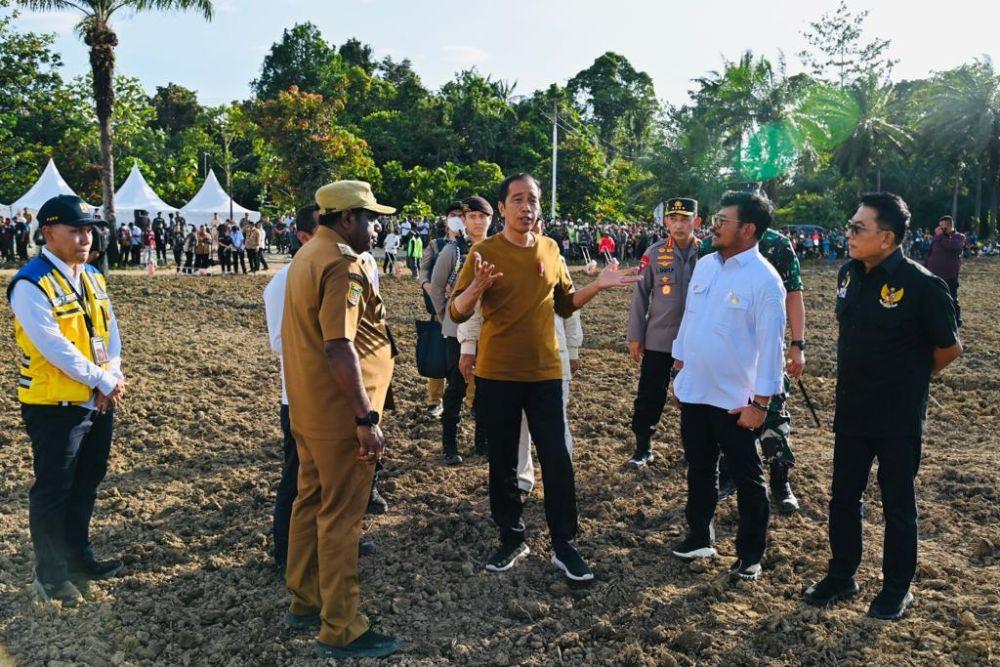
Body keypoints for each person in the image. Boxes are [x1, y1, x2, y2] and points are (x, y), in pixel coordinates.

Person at [449, 173, 640, 582]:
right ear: (502, 208)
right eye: (517, 199)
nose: (526, 207)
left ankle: (564, 544)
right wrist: (477, 287)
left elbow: (566, 305)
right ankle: (512, 537)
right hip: (498, 374)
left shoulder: (551, 249)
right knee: (502, 461)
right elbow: (457, 311)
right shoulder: (484, 251)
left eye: (532, 199)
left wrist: (598, 286)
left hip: (546, 373)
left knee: (558, 459)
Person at [804, 193, 962, 620]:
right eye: (850, 226)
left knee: (896, 505)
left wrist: (908, 378)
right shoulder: (848, 275)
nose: (849, 234)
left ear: (887, 237)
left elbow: (948, 349)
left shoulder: (924, 286)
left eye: (859, 228)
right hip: (853, 411)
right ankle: (842, 575)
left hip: (897, 417)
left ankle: (896, 589)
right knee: (843, 498)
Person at [281, 180, 401, 659]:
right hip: (340, 415)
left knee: (308, 502)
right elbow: (339, 345)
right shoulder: (341, 264)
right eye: (371, 218)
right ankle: (342, 625)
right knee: (341, 518)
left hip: (310, 409)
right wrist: (365, 416)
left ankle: (304, 598)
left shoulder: (307, 255)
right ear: (346, 219)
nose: (378, 227)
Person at [7, 195, 127, 606]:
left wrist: (112, 375)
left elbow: (109, 330)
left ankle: (78, 556)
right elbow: (53, 345)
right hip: (53, 405)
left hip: (96, 399)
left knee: (86, 483)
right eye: (75, 230)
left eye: (88, 230)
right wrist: (101, 379)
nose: (85, 238)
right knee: (54, 490)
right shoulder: (30, 282)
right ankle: (52, 575)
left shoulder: (91, 275)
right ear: (48, 233)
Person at [669, 191, 786, 583]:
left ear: (748, 229)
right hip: (696, 391)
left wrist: (761, 404)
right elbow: (690, 321)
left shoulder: (765, 281)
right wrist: (679, 370)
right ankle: (699, 535)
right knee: (700, 468)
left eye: (724, 220)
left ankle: (750, 555)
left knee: (748, 478)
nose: (714, 226)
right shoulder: (705, 266)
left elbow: (772, 348)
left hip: (736, 402)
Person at [703, 221, 807, 514]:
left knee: (772, 413)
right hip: (725, 348)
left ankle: (779, 480)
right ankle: (728, 475)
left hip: (765, 349)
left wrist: (798, 345)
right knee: (724, 412)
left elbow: (794, 293)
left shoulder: (776, 244)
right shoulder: (713, 244)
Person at [625, 198, 701, 467]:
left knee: (696, 397)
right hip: (659, 338)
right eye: (674, 219)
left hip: (697, 343)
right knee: (650, 394)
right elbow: (640, 296)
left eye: (685, 219)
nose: (679, 225)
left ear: (696, 222)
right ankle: (643, 447)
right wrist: (636, 335)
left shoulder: (708, 255)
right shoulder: (654, 253)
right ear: (666, 222)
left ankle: (695, 450)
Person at [514, 215, 583, 494]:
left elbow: (570, 308)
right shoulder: (499, 256)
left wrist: (575, 348)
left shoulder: (555, 258)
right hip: (513, 355)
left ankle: (561, 478)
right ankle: (521, 478)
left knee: (556, 422)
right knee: (517, 423)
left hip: (554, 353)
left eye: (537, 223)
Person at [429, 206, 476, 464]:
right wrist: (445, 315)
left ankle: (482, 441)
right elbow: (436, 287)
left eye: (483, 217)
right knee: (456, 386)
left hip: (486, 330)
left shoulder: (494, 248)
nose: (478, 222)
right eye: (473, 217)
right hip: (456, 329)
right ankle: (450, 445)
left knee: (485, 387)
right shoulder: (453, 250)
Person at [924, 215, 966, 328]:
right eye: (940, 226)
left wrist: (940, 236)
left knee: (952, 297)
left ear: (949, 225)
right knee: (933, 297)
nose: (940, 228)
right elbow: (931, 252)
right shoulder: (937, 237)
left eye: (942, 226)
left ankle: (957, 319)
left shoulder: (959, 237)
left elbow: (954, 246)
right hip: (933, 273)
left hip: (950, 274)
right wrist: (925, 266)